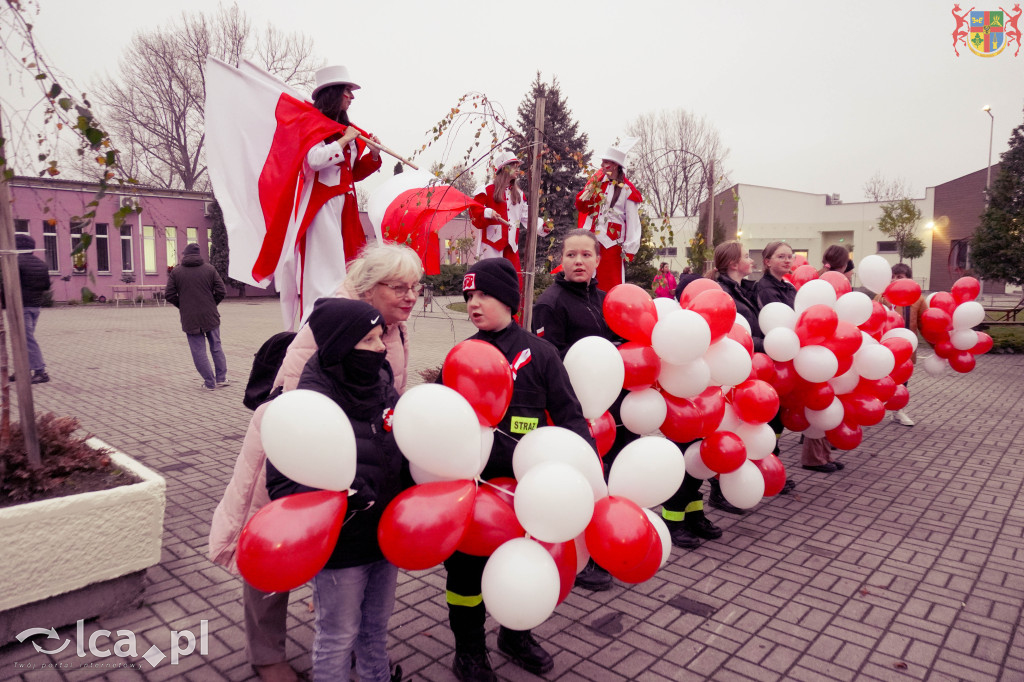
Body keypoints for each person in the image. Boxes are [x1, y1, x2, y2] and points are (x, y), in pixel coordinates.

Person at [208, 243, 421, 682]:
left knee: (331, 565)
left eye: (415, 287)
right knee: (271, 545)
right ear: (369, 288)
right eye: (399, 286)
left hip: (359, 456)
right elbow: (300, 402)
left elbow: (388, 392)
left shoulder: (393, 328)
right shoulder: (332, 323)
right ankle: (268, 656)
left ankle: (361, 652)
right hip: (297, 454)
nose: (410, 296)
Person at [444, 258, 593, 681]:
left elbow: (569, 415)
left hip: (526, 492)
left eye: (484, 295)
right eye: (469, 296)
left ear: (511, 301)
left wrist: (583, 466)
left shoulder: (542, 354)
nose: (474, 303)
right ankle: (469, 650)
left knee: (526, 566)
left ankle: (516, 633)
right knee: (466, 573)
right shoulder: (460, 356)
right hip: (472, 490)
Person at [265, 298, 406, 682]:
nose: (381, 347)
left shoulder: (380, 382)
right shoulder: (305, 407)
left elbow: (401, 441)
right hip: (341, 545)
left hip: (385, 535)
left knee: (376, 626)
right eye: (369, 340)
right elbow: (282, 484)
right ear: (342, 348)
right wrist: (343, 496)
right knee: (338, 635)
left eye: (381, 337)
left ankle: (377, 677)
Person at [531, 229, 627, 591]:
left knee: (606, 475)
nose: (579, 262)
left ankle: (603, 542)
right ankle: (581, 556)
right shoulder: (550, 303)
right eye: (571, 255)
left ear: (598, 260)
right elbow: (548, 361)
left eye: (586, 255)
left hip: (609, 407)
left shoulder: (605, 299)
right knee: (583, 479)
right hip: (571, 410)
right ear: (562, 260)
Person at [275, 65, 383, 330]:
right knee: (324, 271)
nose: (352, 97)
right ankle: (318, 325)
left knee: (350, 265)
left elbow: (351, 173)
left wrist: (374, 154)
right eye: (348, 91)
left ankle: (347, 319)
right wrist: (344, 141)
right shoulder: (312, 124)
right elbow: (312, 160)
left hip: (346, 207)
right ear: (334, 93)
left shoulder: (343, 128)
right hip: (322, 208)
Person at [800, 245, 854, 473]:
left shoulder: (818, 280)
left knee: (827, 401)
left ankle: (823, 454)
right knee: (821, 402)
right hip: (824, 348)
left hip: (827, 348)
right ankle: (814, 457)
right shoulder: (832, 283)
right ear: (844, 264)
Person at [753, 241, 798, 495]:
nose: (787, 260)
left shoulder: (788, 286)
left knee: (778, 422)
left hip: (789, 361)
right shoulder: (765, 288)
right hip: (772, 360)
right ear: (767, 261)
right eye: (781, 256)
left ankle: (775, 469)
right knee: (769, 421)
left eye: (790, 257)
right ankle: (768, 473)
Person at [468, 151, 547, 294]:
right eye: (514, 166)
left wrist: (542, 226)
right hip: (491, 248)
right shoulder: (486, 190)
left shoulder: (518, 194)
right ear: (504, 169)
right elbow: (474, 213)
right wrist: (487, 212)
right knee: (491, 284)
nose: (518, 169)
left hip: (511, 247)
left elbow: (526, 218)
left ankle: (514, 316)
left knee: (515, 285)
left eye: (518, 166)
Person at [575, 139, 642, 290]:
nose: (601, 166)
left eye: (606, 162)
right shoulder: (596, 183)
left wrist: (630, 248)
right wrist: (590, 189)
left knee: (610, 285)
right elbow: (583, 207)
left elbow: (633, 221)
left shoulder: (627, 190)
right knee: (585, 282)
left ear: (616, 165)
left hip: (612, 245)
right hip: (591, 241)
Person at [165, 243, 228, 390]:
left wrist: (183, 306)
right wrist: (212, 304)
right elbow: (221, 291)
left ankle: (209, 382)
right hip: (210, 315)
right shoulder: (210, 269)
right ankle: (221, 378)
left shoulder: (177, 272)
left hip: (190, 318)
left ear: (185, 255)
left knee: (198, 351)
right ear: (199, 254)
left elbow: (169, 294)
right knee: (216, 346)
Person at [874, 262, 927, 426]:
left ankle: (898, 411)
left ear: (909, 279)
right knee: (880, 380)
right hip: (884, 349)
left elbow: (925, 323)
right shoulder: (881, 296)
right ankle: (873, 408)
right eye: (892, 277)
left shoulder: (918, 299)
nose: (895, 280)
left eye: (900, 277)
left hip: (906, 350)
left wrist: (939, 347)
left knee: (903, 382)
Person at [10, 233, 52, 384]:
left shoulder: (15, 263)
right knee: (24, 339)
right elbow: (46, 285)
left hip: (22, 306)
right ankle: (23, 370)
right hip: (36, 306)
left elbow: (9, 285)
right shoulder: (41, 263)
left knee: (27, 340)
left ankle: (40, 371)